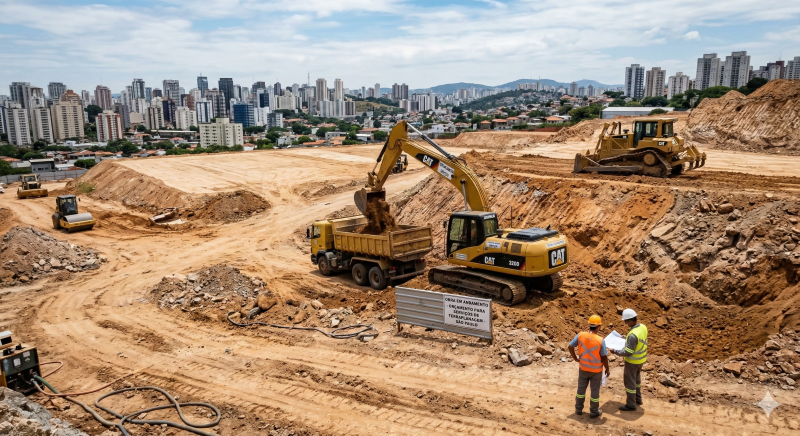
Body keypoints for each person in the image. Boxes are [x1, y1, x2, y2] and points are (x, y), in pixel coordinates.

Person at [568, 315, 610, 418]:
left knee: (581, 389)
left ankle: (578, 409)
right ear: (598, 327)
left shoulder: (580, 335)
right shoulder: (600, 340)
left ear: (589, 325)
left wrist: (575, 358)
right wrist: (607, 369)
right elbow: (603, 357)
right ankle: (594, 411)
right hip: (596, 371)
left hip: (583, 368)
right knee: (594, 391)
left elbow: (570, 346)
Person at [612, 308, 648, 411]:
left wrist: (614, 351)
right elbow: (637, 340)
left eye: (626, 321)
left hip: (632, 362)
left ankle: (631, 404)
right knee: (636, 380)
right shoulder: (642, 327)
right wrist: (626, 338)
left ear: (630, 321)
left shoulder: (632, 335)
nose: (626, 323)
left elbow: (627, 352)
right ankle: (638, 399)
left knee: (630, 383)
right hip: (641, 360)